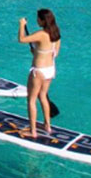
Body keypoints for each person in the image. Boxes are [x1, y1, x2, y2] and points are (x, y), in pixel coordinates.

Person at [18, 9, 61, 139]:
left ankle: (33, 131)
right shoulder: (56, 33)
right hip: (50, 70)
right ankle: (47, 125)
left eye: (38, 18)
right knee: (42, 96)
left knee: (31, 99)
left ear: (43, 20)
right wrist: (37, 52)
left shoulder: (41, 34)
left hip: (39, 71)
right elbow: (54, 53)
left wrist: (21, 25)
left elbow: (22, 39)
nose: (37, 20)